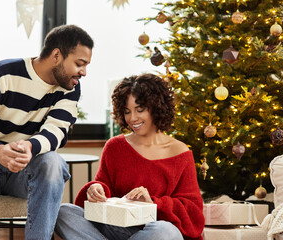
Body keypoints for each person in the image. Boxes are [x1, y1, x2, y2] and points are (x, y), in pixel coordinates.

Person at [0, 24, 93, 240]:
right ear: (57, 55)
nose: (84, 72)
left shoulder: (69, 88)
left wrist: (29, 147)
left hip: (24, 175)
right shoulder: (2, 74)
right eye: (80, 64)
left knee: (53, 163)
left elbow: (57, 130)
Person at [55, 73, 205, 240]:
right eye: (127, 111)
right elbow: (104, 186)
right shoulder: (115, 147)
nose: (132, 118)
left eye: (140, 109)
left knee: (166, 232)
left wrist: (153, 203)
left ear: (157, 107)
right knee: (63, 212)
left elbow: (192, 212)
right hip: (112, 228)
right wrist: (97, 189)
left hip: (151, 231)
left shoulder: (180, 152)